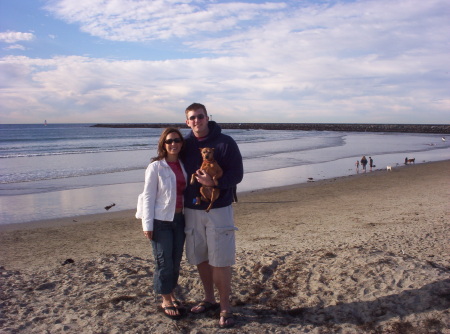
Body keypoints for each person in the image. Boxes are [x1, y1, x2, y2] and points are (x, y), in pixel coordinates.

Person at [181, 103, 243, 328]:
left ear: (207, 118)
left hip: (219, 209)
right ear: (187, 122)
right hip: (191, 210)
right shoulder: (184, 144)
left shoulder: (225, 143)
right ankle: (209, 299)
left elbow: (237, 174)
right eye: (192, 118)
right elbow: (167, 160)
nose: (196, 121)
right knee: (201, 257)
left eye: (200, 117)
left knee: (221, 259)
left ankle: (225, 306)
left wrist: (214, 182)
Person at [137, 127, 187, 320]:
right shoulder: (156, 167)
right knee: (163, 261)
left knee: (175, 262)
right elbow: (148, 196)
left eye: (176, 140)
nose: (173, 144)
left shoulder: (184, 165)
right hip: (160, 221)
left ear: (181, 143)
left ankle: (171, 293)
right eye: (169, 141)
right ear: (163, 145)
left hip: (180, 219)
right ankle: (165, 299)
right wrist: (146, 224)